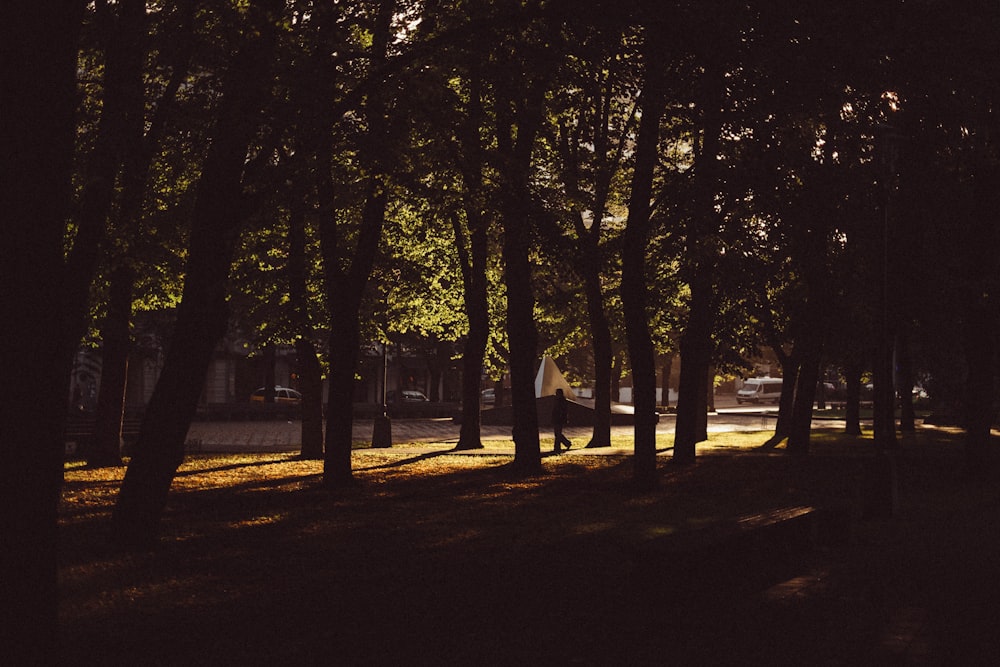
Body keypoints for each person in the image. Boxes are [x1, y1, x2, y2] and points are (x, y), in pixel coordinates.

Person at [552, 388, 572, 453]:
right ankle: (566, 443)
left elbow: (562, 411)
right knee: (557, 433)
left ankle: (558, 447)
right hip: (558, 419)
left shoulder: (561, 401)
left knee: (557, 434)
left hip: (559, 419)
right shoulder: (559, 400)